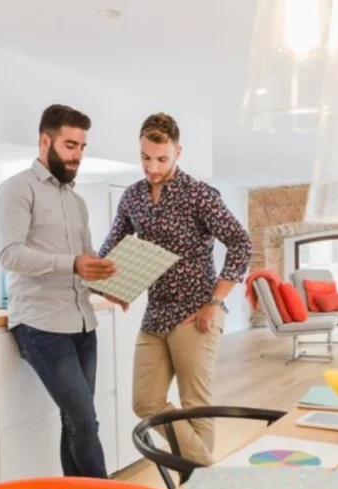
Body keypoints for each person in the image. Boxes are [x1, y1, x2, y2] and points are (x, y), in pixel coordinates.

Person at [0, 104, 129, 489]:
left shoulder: (77, 201)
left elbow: (84, 265)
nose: (77, 155)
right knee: (84, 421)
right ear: (45, 140)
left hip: (82, 324)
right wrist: (73, 264)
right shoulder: (16, 190)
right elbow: (9, 254)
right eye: (71, 145)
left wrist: (105, 285)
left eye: (82, 147)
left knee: (78, 423)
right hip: (40, 326)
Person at [99, 112, 253, 465]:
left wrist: (215, 302)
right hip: (155, 315)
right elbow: (111, 248)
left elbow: (241, 244)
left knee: (195, 405)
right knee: (145, 402)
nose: (152, 167)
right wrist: (112, 284)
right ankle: (209, 473)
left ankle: (194, 483)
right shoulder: (133, 198)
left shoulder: (199, 194)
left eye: (161, 159)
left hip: (196, 314)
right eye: (145, 158)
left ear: (178, 152)